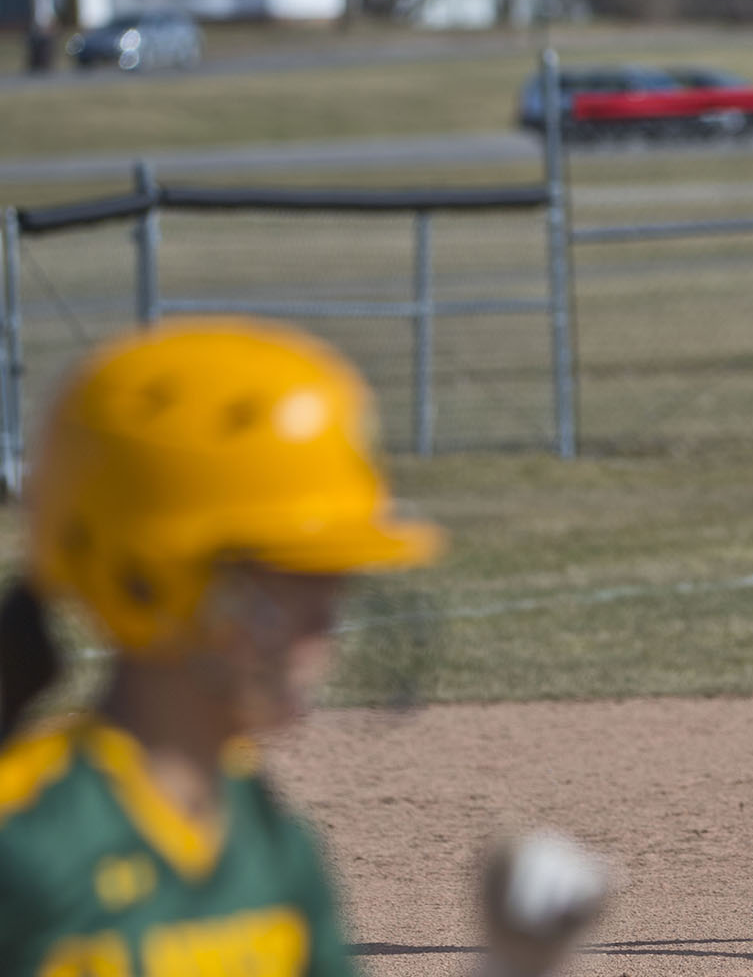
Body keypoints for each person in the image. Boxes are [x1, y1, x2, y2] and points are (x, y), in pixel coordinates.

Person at [0, 318, 443, 976]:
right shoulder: (27, 839)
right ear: (154, 583)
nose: (326, 633)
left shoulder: (269, 839)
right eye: (296, 589)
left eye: (334, 592)